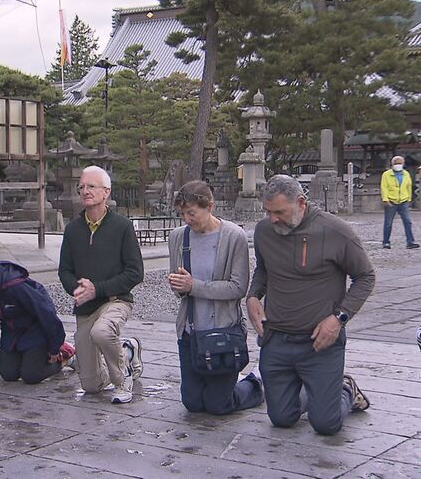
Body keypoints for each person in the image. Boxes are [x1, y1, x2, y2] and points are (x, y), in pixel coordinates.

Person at [247, 175, 375, 436]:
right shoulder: (264, 231)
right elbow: (263, 269)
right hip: (277, 339)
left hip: (320, 341)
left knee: (326, 425)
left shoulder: (336, 231)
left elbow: (366, 277)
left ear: (301, 202)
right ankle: (315, 393)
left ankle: (345, 388)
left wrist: (339, 318)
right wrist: (252, 296)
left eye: (280, 212)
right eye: (268, 212)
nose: (273, 219)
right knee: (282, 418)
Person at [167, 180, 263, 415]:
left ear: (209, 206)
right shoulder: (178, 237)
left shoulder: (233, 236)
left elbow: (238, 288)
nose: (187, 220)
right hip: (191, 329)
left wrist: (194, 286)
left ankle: (256, 383)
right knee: (193, 404)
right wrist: (179, 286)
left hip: (222, 328)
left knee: (219, 405)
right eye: (182, 214)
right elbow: (180, 287)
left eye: (191, 213)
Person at [58, 165, 144, 403]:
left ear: (106, 192)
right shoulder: (73, 230)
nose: (85, 191)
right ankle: (127, 351)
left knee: (102, 331)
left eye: (91, 187)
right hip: (86, 307)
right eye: (81, 187)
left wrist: (98, 288)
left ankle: (123, 379)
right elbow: (64, 270)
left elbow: (135, 273)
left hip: (115, 300)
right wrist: (78, 289)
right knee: (91, 385)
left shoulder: (122, 227)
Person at [0, 251, 74, 386]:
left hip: (36, 328)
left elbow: (46, 313)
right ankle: (29, 357)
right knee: (8, 374)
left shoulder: (15, 285)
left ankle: (65, 356)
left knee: (30, 375)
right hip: (11, 330)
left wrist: (55, 346)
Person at [380, 155, 419, 249]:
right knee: (388, 223)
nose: (398, 165)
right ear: (392, 164)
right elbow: (384, 187)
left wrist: (409, 199)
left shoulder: (406, 174)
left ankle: (410, 242)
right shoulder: (386, 174)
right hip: (391, 201)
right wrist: (385, 199)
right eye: (396, 163)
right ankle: (386, 242)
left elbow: (408, 187)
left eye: (400, 163)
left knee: (408, 221)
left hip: (403, 200)